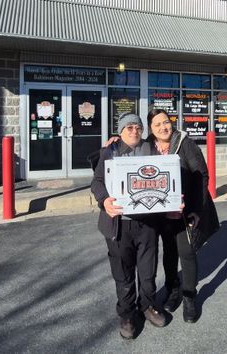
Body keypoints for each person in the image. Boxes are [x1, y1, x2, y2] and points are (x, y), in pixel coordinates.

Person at [90, 113, 167, 339]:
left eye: (138, 127)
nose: (134, 131)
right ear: (121, 130)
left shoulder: (151, 149)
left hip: (147, 223)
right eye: (129, 127)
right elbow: (97, 182)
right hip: (119, 224)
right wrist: (104, 200)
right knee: (123, 274)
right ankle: (126, 314)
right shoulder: (109, 151)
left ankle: (148, 306)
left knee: (147, 271)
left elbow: (166, 175)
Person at [146, 108, 219, 323]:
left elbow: (201, 176)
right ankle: (173, 289)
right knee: (168, 252)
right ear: (151, 128)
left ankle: (189, 297)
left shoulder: (184, 143)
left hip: (184, 210)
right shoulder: (147, 146)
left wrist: (197, 209)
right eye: (157, 124)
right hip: (159, 211)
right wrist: (113, 142)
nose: (163, 127)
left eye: (166, 122)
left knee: (186, 252)